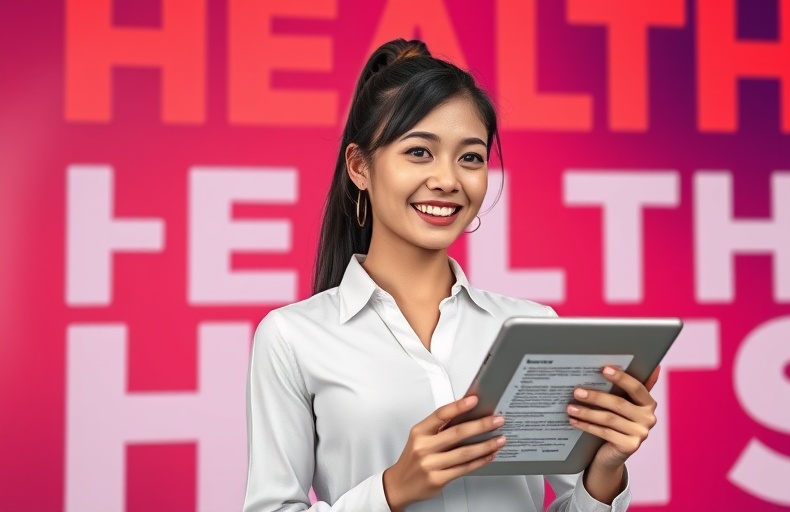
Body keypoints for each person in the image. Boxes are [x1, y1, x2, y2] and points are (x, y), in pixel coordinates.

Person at [242, 39, 660, 512]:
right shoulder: (294, 337)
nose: (448, 180)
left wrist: (605, 469)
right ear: (360, 167)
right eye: (419, 152)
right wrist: (390, 490)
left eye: (471, 157)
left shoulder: (531, 326)